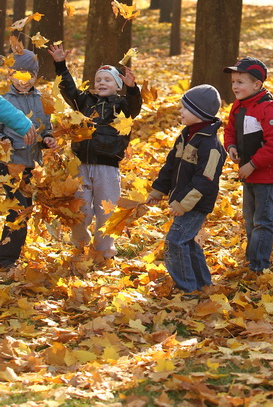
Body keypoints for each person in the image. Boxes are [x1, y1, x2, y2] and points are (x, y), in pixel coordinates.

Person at [49, 43, 142, 260]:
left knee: (106, 212)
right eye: (98, 79)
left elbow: (134, 106)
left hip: (107, 167)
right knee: (80, 210)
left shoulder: (122, 105)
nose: (101, 83)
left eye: (107, 80)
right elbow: (69, 90)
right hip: (81, 165)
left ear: (118, 85)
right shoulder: (85, 102)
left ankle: (104, 252)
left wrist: (132, 88)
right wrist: (60, 65)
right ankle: (80, 245)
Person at [146, 85, 226, 294]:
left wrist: (183, 204)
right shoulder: (186, 136)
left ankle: (186, 288)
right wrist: (158, 190)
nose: (180, 111)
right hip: (184, 200)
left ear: (200, 113)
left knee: (175, 242)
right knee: (187, 242)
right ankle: (202, 284)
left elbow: (204, 181)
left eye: (185, 108)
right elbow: (170, 166)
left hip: (196, 204)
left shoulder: (211, 146)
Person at [223, 57, 273, 272]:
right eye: (233, 82)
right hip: (248, 172)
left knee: (262, 220)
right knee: (250, 219)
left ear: (256, 85)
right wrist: (231, 146)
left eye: (240, 82)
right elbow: (230, 130)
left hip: (266, 174)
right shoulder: (238, 106)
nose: (234, 86)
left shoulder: (268, 109)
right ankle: (252, 258)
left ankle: (260, 265)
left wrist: (252, 164)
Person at [0, 50, 57, 271]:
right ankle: (6, 259)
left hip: (31, 164)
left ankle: (10, 253)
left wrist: (48, 139)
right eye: (18, 74)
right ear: (10, 75)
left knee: (25, 209)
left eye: (29, 75)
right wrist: (3, 140)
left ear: (36, 76)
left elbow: (46, 129)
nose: (24, 81)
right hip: (10, 163)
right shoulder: (5, 101)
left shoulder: (43, 100)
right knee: (18, 208)